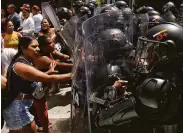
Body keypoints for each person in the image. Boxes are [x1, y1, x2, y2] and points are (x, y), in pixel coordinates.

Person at [2, 36, 71, 133]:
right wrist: (73, 74)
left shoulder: (26, 61)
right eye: (34, 47)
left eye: (38, 46)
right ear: (23, 48)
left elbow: (31, 78)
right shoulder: (20, 65)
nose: (38, 49)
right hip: (17, 109)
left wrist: (48, 72)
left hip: (19, 107)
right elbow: (47, 79)